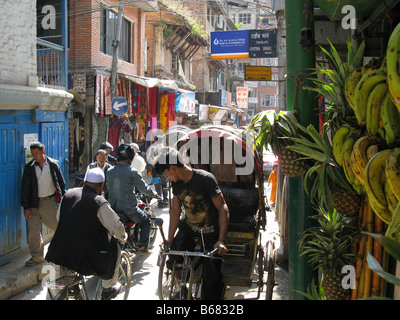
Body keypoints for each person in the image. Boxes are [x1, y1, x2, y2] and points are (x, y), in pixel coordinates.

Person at [154, 147, 229, 300]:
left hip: (210, 231)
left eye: (166, 173)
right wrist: (169, 239)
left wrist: (221, 240)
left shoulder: (205, 179)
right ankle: (181, 288)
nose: (167, 177)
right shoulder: (177, 184)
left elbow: (222, 208)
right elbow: (175, 211)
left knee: (211, 277)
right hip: (188, 229)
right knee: (174, 257)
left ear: (172, 167)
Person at [46, 168, 127, 300]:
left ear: (84, 183)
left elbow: (58, 218)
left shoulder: (68, 195)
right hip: (85, 257)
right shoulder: (99, 202)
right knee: (116, 245)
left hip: (58, 251)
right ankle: (108, 287)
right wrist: (123, 237)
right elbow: (116, 228)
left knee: (55, 288)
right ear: (101, 186)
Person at [106, 144, 159, 254]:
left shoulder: (109, 171)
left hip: (112, 209)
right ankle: (143, 246)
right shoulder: (132, 172)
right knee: (146, 221)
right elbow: (144, 188)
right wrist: (153, 194)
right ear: (130, 158)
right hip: (129, 209)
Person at [21, 142, 66, 267]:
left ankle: (60, 251)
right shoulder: (29, 168)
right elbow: (25, 189)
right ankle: (37, 257)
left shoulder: (52, 165)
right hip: (33, 204)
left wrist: (64, 201)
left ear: (43, 152)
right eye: (32, 153)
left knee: (57, 227)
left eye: (36, 153)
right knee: (34, 231)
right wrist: (26, 207)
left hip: (49, 202)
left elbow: (61, 184)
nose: (34, 156)